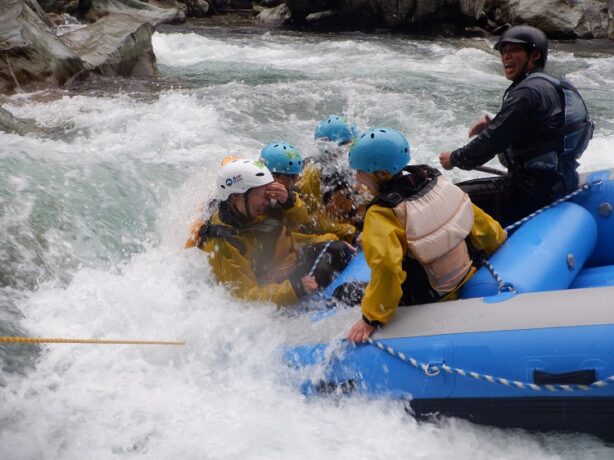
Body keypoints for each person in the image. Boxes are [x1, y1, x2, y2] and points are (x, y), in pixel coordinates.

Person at [347, 128, 507, 342]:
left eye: (361, 172)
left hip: (429, 297)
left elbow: (387, 268)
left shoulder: (381, 212)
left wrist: (371, 319)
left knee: (345, 292)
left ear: (382, 174)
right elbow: (480, 222)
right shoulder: (437, 181)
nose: (357, 178)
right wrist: (499, 245)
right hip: (468, 273)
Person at [439, 25, 594, 227]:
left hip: (529, 192)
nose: (506, 57)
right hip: (562, 181)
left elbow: (491, 142)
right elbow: (543, 130)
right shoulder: (552, 85)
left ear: (535, 55)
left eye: (514, 51)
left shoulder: (527, 91)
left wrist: (454, 158)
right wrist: (494, 125)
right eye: (503, 52)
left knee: (447, 201)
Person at [185, 159, 353, 306]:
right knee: (325, 274)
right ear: (236, 196)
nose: (268, 199)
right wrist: (296, 288)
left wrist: (288, 201)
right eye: (262, 195)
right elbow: (245, 296)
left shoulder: (253, 205)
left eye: (268, 192)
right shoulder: (223, 242)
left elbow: (302, 220)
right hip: (270, 281)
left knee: (339, 251)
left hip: (284, 261)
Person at [297, 115, 367, 243]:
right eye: (352, 143)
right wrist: (353, 233)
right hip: (324, 234)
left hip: (347, 223)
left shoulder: (352, 167)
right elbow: (315, 222)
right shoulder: (314, 174)